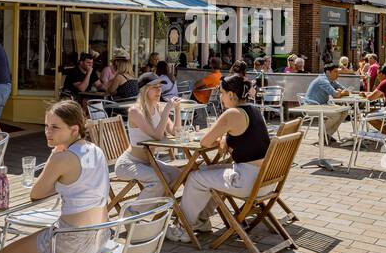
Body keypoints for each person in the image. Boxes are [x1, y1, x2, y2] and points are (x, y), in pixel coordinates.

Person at [0, 101, 110, 253]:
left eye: (55, 127)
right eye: (46, 126)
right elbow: (71, 185)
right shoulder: (95, 150)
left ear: (74, 129)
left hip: (71, 241)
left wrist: (54, 156)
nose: (48, 132)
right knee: (41, 246)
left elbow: (36, 193)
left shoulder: (62, 157)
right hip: (100, 236)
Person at [179, 75, 270, 235]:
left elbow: (205, 142)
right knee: (207, 171)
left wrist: (221, 137)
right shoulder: (253, 110)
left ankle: (183, 229)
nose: (219, 97)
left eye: (221, 93)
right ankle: (200, 221)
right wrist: (224, 138)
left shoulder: (232, 114)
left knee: (195, 177)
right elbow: (239, 134)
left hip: (248, 181)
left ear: (231, 94)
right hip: (266, 180)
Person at [115, 74, 186, 240]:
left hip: (149, 162)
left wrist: (176, 110)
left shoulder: (159, 108)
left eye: (160, 87)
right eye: (155, 87)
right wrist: (167, 109)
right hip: (129, 164)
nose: (159, 90)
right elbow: (156, 136)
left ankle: (159, 218)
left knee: (177, 175)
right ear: (144, 90)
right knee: (158, 179)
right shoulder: (135, 111)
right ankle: (133, 212)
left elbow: (175, 132)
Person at [303, 62, 351, 140]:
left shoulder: (331, 80)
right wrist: (341, 93)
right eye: (335, 72)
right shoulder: (323, 80)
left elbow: (343, 89)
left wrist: (342, 92)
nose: (337, 74)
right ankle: (322, 134)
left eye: (338, 72)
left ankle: (327, 134)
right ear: (328, 72)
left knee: (344, 111)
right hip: (312, 106)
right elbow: (336, 95)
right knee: (336, 114)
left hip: (322, 105)